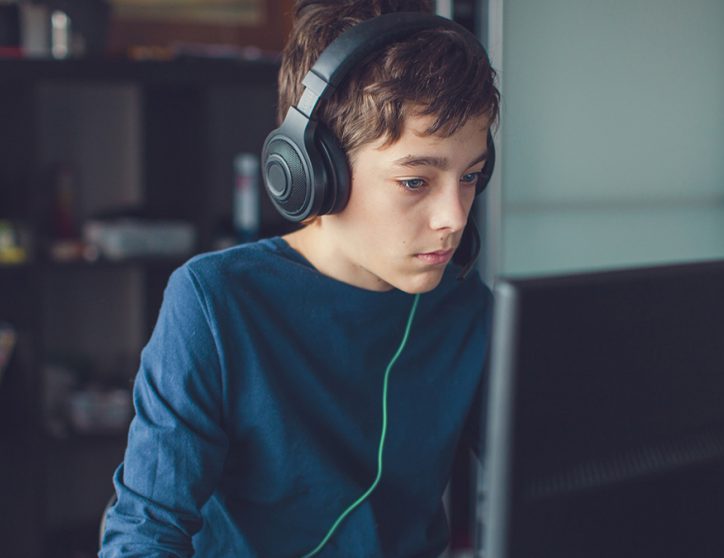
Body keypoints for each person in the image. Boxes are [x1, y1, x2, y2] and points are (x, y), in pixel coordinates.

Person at [99, 0, 500, 555]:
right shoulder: (216, 304)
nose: (455, 218)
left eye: (471, 176)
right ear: (315, 170)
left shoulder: (465, 307)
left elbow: (555, 481)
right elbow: (144, 533)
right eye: (415, 181)